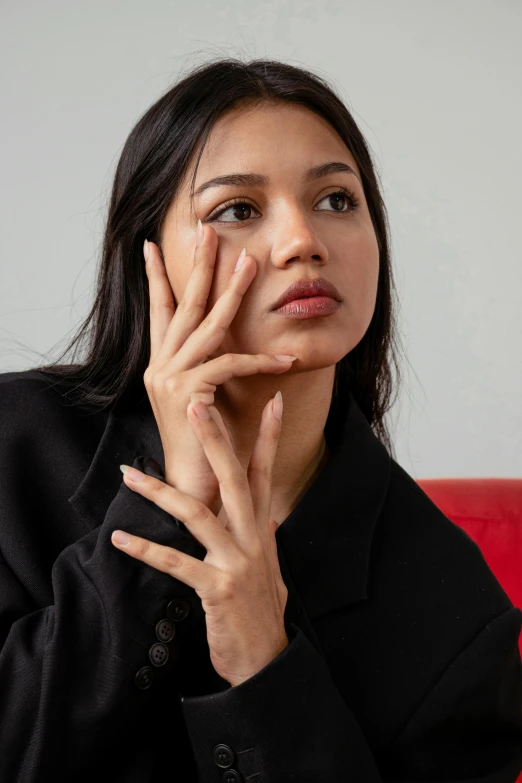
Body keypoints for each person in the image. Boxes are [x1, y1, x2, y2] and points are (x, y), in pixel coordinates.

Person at [0, 57, 520, 783]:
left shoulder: (456, 610)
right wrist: (167, 510)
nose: (303, 240)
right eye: (238, 210)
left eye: (337, 199)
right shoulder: (14, 447)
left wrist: (265, 670)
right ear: (148, 257)